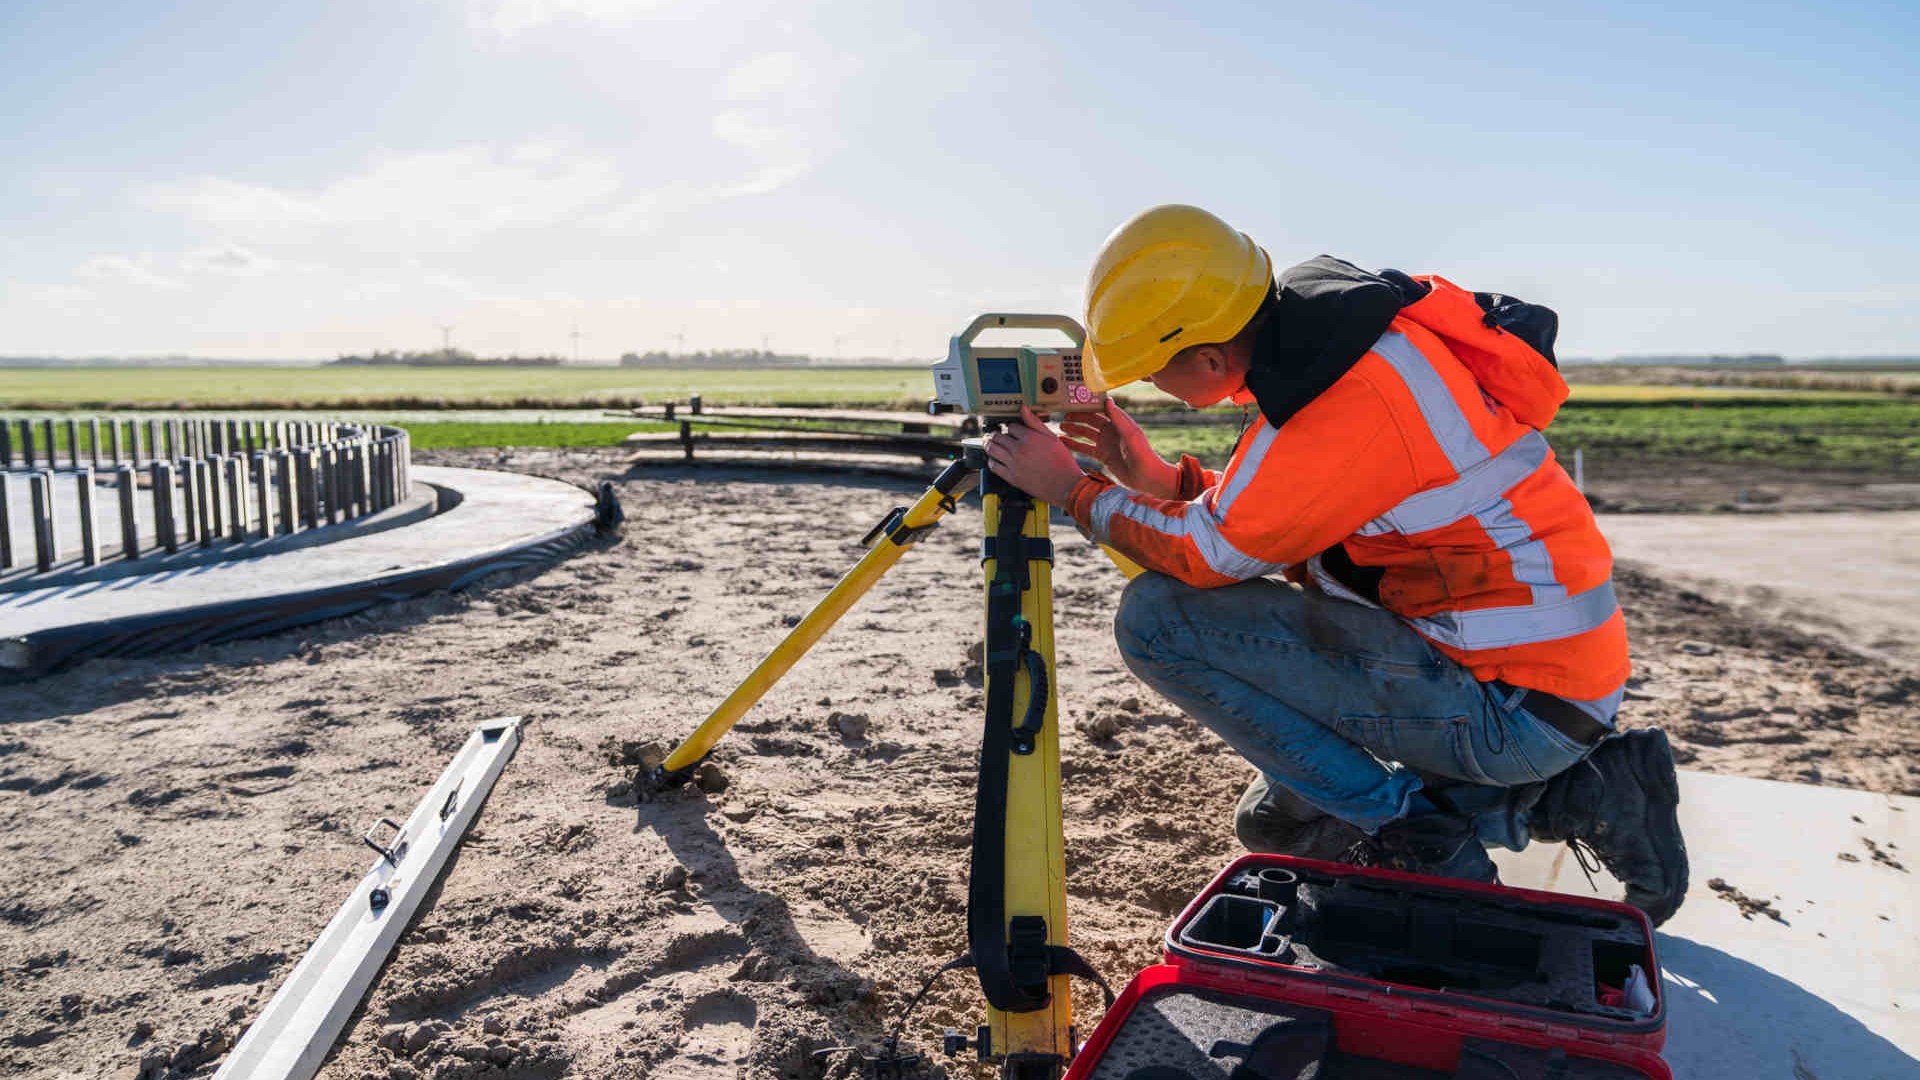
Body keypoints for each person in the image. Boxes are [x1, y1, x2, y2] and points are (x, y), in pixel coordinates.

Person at [982, 204, 1689, 925]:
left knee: (1157, 622)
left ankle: (1416, 838)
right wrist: (1153, 476)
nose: (1152, 386)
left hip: (1510, 705)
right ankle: (1582, 794)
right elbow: (1294, 511)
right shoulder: (1353, 350)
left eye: (1153, 372)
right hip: (1537, 678)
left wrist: (1073, 492)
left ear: (1210, 359)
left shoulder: (1346, 400)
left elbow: (1211, 553)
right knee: (1278, 823)